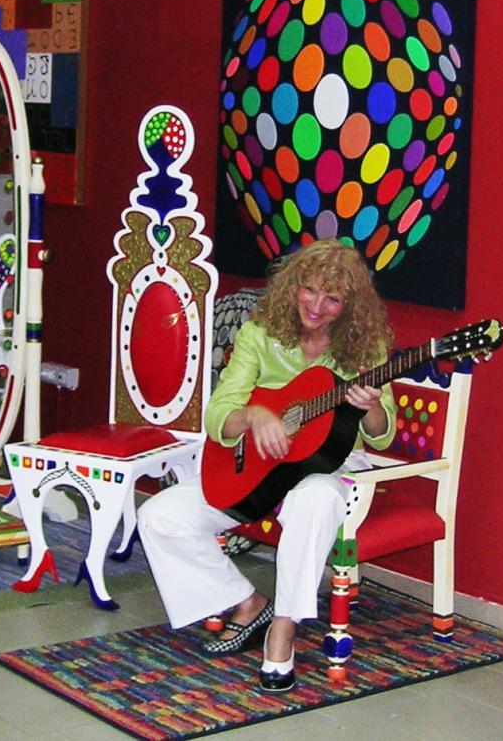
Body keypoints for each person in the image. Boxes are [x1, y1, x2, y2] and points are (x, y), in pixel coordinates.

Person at [136, 238, 395, 691]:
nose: (316, 306)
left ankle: (284, 626)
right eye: (309, 290)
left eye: (332, 299)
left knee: (313, 499)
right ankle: (248, 601)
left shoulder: (365, 346)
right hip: (257, 467)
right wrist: (254, 415)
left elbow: (382, 434)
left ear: (350, 306)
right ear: (293, 285)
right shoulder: (259, 333)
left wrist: (370, 405)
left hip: (330, 465)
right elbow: (219, 414)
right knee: (159, 516)